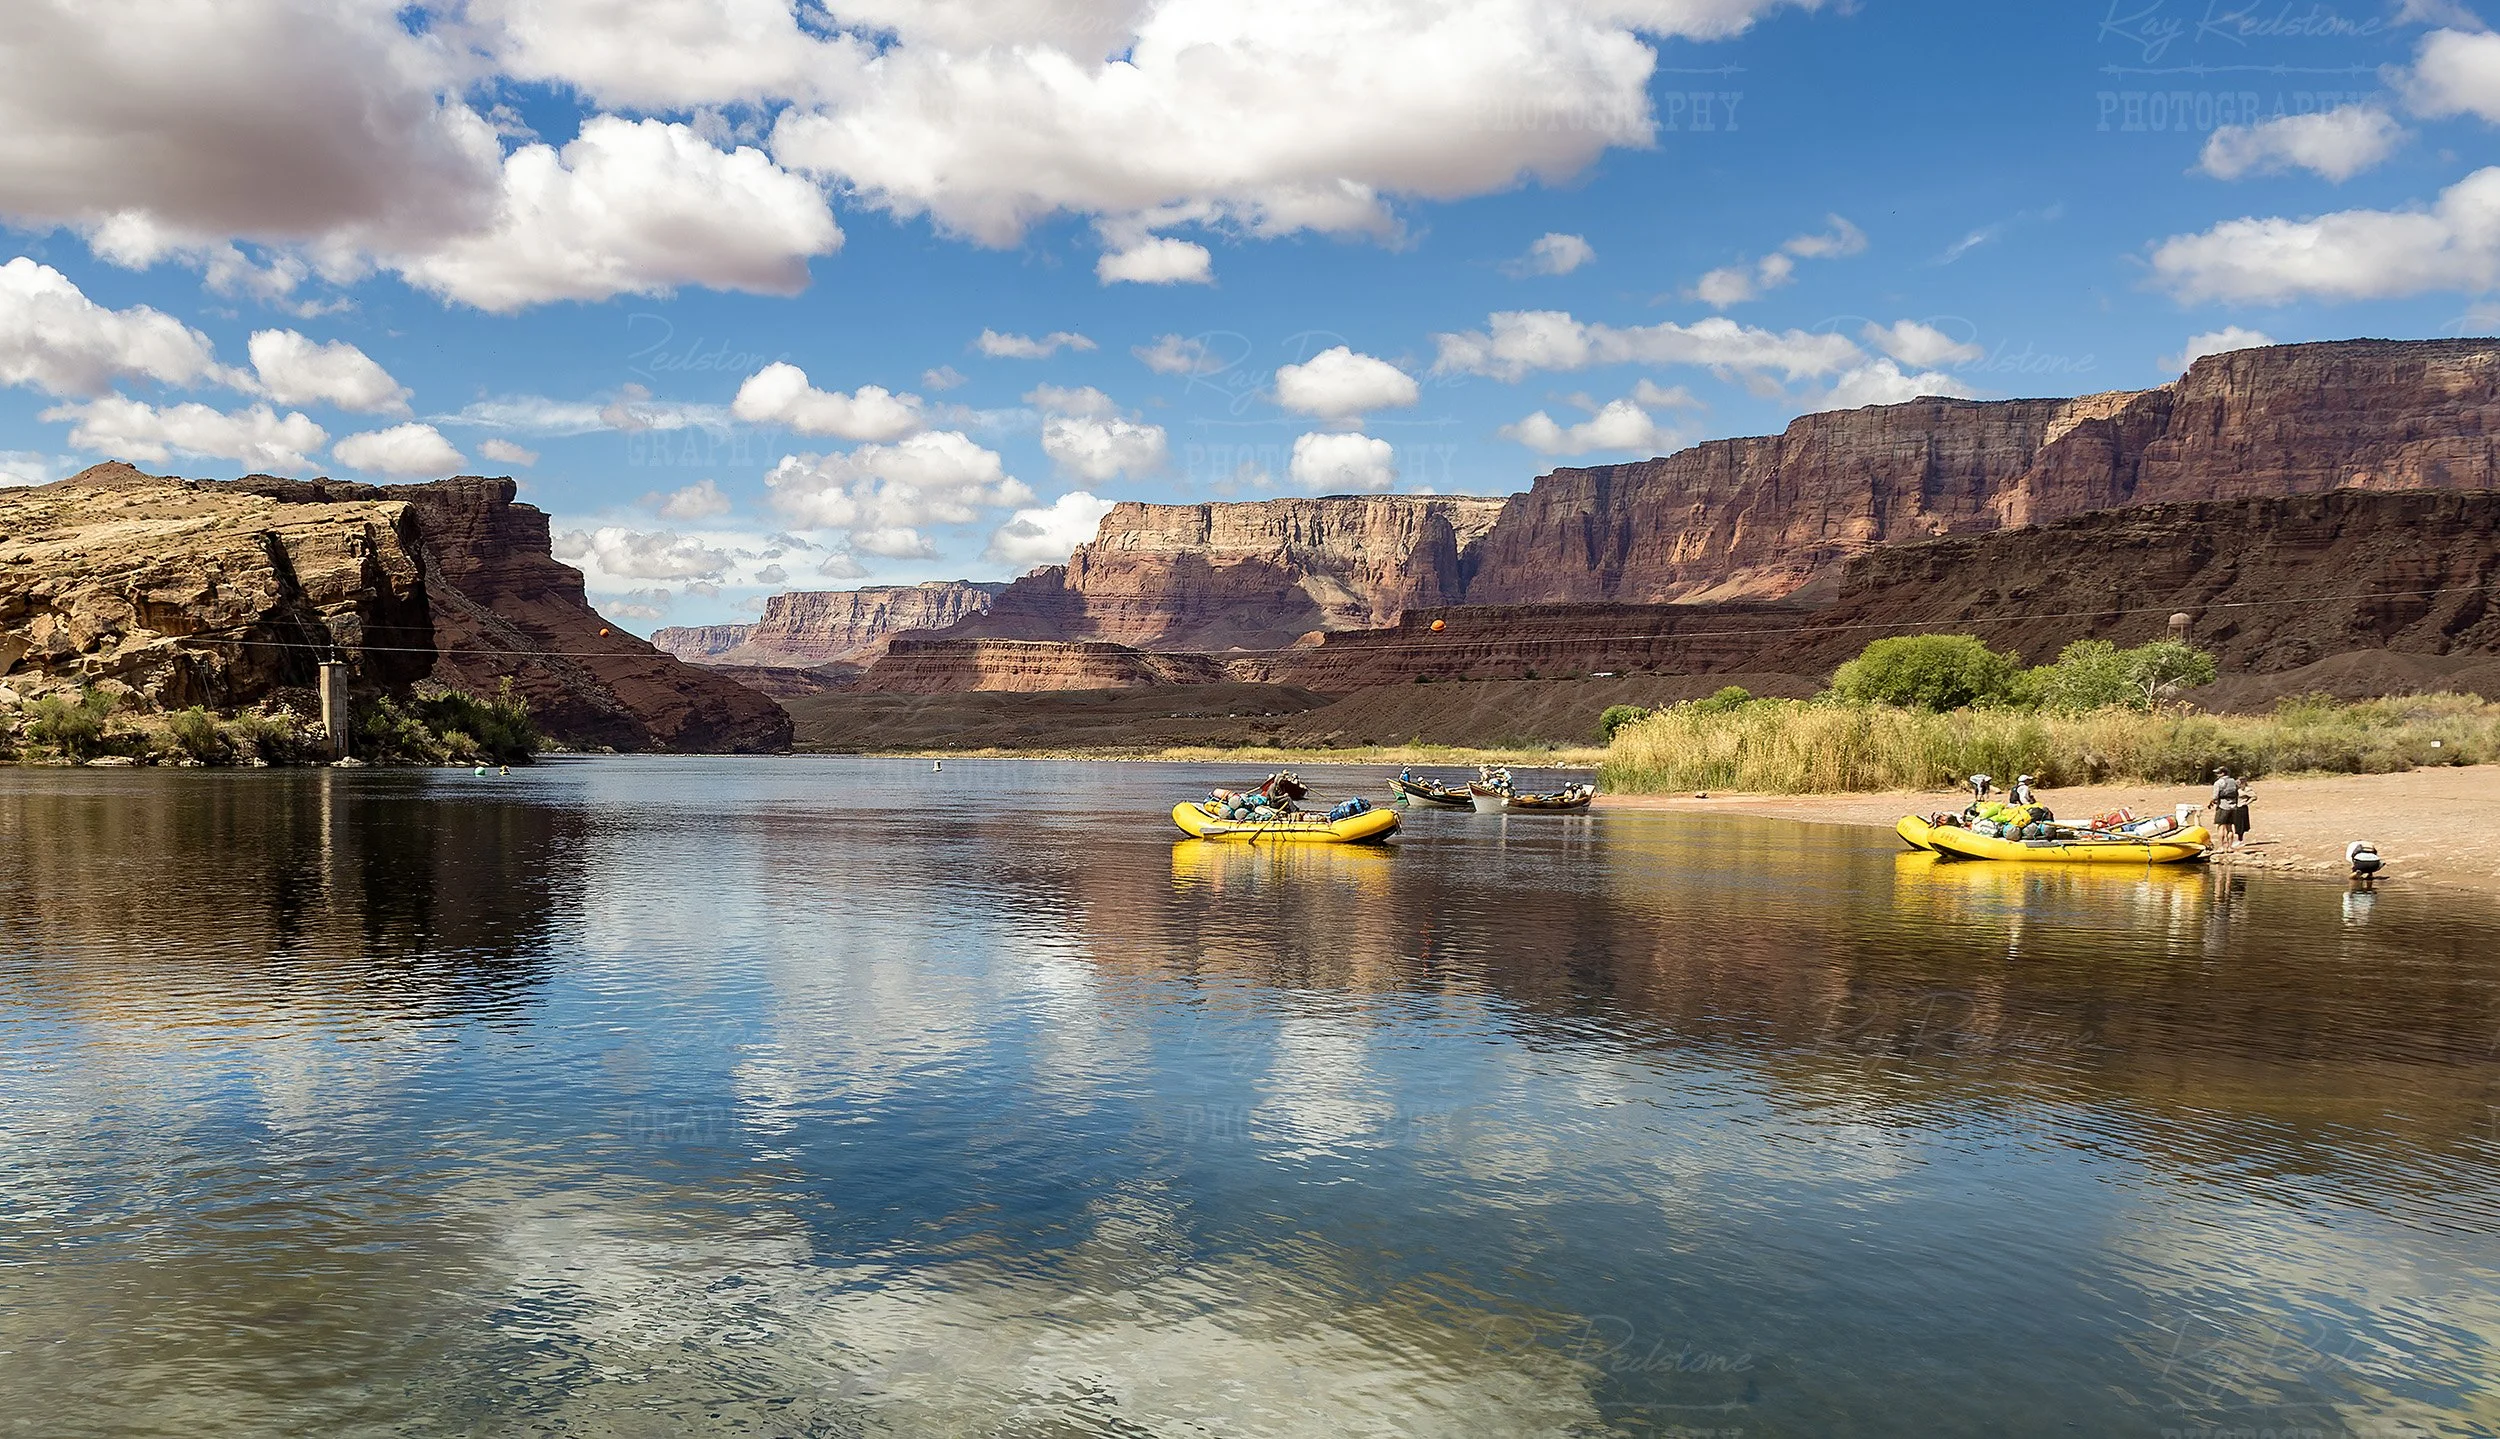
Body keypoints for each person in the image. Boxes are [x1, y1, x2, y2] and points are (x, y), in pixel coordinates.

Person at [2209, 766, 2251, 848]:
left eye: (2218, 773)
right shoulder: (2234, 781)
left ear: (2222, 773)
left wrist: (2212, 802)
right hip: (2233, 807)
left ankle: (2221, 847)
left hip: (2223, 806)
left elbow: (2215, 797)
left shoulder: (2218, 783)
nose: (2217, 774)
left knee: (2221, 827)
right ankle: (2229, 847)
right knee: (2230, 828)